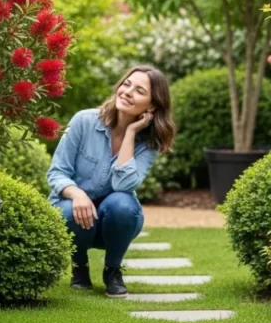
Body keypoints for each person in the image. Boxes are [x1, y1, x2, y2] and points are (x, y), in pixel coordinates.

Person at [47, 65, 176, 297]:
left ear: (152, 105)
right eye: (126, 84)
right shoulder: (83, 121)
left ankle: (113, 269)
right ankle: (79, 266)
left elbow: (124, 186)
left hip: (113, 222)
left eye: (139, 91)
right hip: (74, 215)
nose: (127, 92)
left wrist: (130, 134)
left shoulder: (149, 144)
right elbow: (57, 173)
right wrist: (77, 194)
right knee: (68, 210)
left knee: (123, 204)